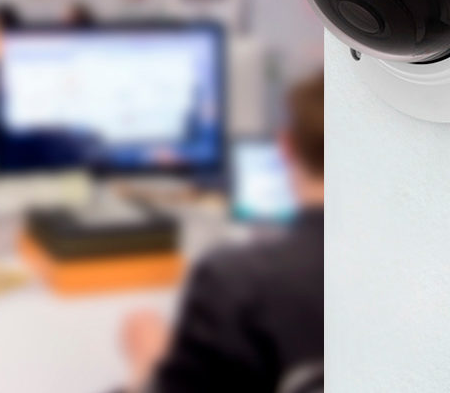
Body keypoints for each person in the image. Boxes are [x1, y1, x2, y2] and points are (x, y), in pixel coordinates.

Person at [121, 72, 325, 393]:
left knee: (141, 328)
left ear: (286, 147)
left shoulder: (233, 282)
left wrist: (149, 364)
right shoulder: (404, 273)